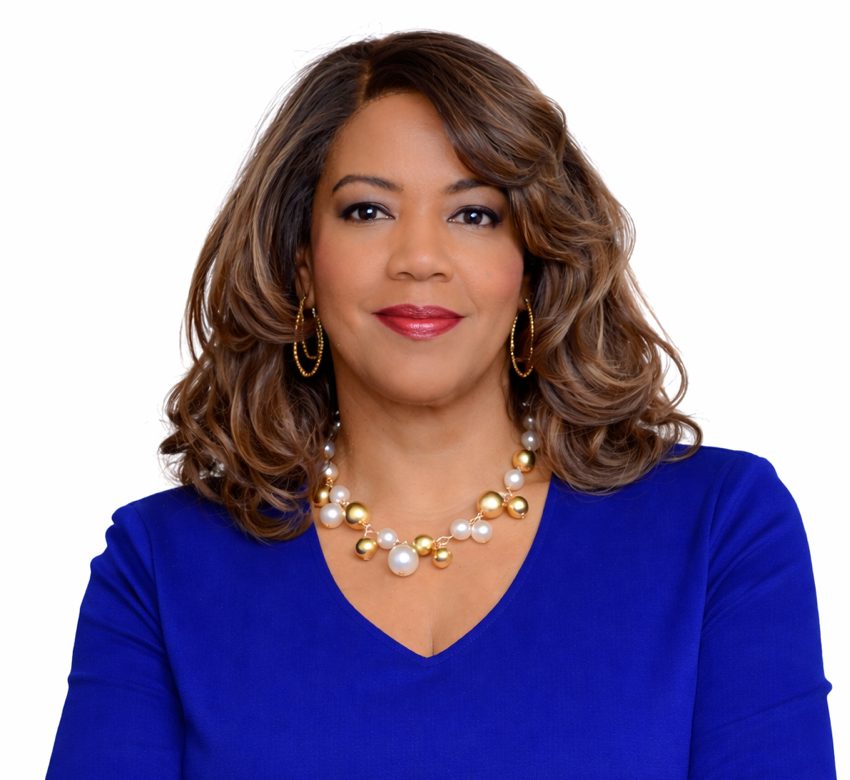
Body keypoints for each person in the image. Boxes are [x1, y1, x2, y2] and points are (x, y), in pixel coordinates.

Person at [47, 30, 835, 778]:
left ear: (531, 264)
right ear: (301, 265)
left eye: (474, 214)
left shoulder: (719, 528)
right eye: (367, 211)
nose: (420, 258)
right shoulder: (159, 568)